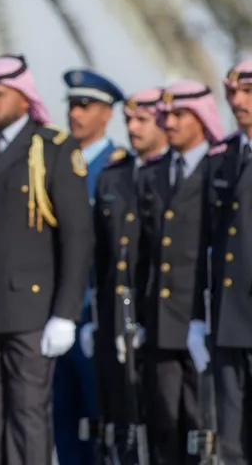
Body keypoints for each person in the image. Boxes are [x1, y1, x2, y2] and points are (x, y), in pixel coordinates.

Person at [0, 54, 93, 465]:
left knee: (28, 417)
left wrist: (65, 313)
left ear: (24, 97)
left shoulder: (53, 149)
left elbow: (77, 239)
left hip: (32, 311)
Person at [137, 80, 222, 465]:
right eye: (165, 115)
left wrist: (206, 319)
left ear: (202, 117)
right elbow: (144, 253)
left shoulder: (218, 169)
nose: (168, 123)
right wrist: (140, 318)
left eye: (179, 115)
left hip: (203, 319)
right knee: (164, 427)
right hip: (160, 321)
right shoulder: (153, 173)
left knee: (203, 428)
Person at [88, 88, 167, 458]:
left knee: (162, 421)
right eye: (129, 120)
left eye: (142, 120)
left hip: (160, 316)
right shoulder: (113, 176)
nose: (133, 128)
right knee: (119, 419)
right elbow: (102, 256)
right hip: (115, 316)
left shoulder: (170, 175)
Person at [54, 69, 124, 465]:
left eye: (86, 105)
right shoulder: (56, 163)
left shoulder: (116, 169)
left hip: (93, 314)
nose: (75, 114)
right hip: (54, 312)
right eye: (72, 105)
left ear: (106, 113)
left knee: (100, 422)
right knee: (61, 421)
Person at [189, 62, 252, 465]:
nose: (237, 101)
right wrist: (198, 317)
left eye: (247, 92)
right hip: (230, 320)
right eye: (231, 93)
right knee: (232, 439)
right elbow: (203, 244)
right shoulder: (222, 157)